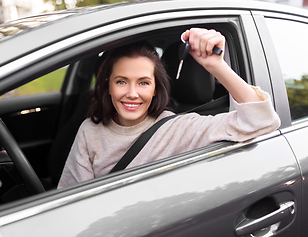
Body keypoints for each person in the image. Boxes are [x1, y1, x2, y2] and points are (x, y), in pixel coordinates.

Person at [57, 28, 281, 188]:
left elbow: (261, 121)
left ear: (156, 88)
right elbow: (69, 199)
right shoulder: (90, 130)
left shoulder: (179, 128)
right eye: (121, 81)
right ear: (108, 86)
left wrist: (216, 65)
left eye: (143, 82)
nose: (132, 93)